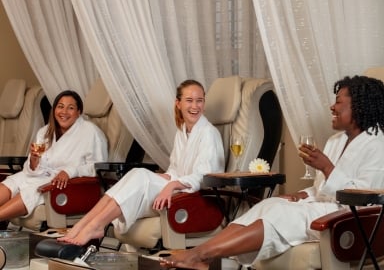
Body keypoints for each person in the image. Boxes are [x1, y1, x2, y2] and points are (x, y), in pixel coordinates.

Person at [160, 75, 384, 270]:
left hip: (350, 218)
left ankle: (199, 254)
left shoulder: (379, 147)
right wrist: (300, 196)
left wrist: (326, 166)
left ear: (358, 106)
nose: (332, 106)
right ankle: (206, 255)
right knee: (267, 205)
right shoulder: (336, 141)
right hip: (325, 206)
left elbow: (366, 199)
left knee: (280, 215)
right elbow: (320, 189)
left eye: (338, 102)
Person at [58, 79, 225, 245]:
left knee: (141, 177)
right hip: (178, 189)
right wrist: (165, 180)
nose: (195, 106)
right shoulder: (181, 132)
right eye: (189, 100)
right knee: (138, 174)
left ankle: (95, 226)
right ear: (178, 103)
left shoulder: (209, 133)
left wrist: (171, 185)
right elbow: (174, 170)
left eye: (199, 101)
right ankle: (83, 224)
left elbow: (204, 176)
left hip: (194, 196)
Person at [0, 90, 108, 222]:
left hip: (66, 184)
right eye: (60, 106)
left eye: (71, 108)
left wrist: (69, 172)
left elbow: (98, 168)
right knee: (12, 182)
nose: (64, 112)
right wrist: (34, 161)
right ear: (54, 109)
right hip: (38, 175)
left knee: (33, 191)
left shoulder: (91, 132)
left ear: (79, 112)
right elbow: (32, 168)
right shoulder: (45, 131)